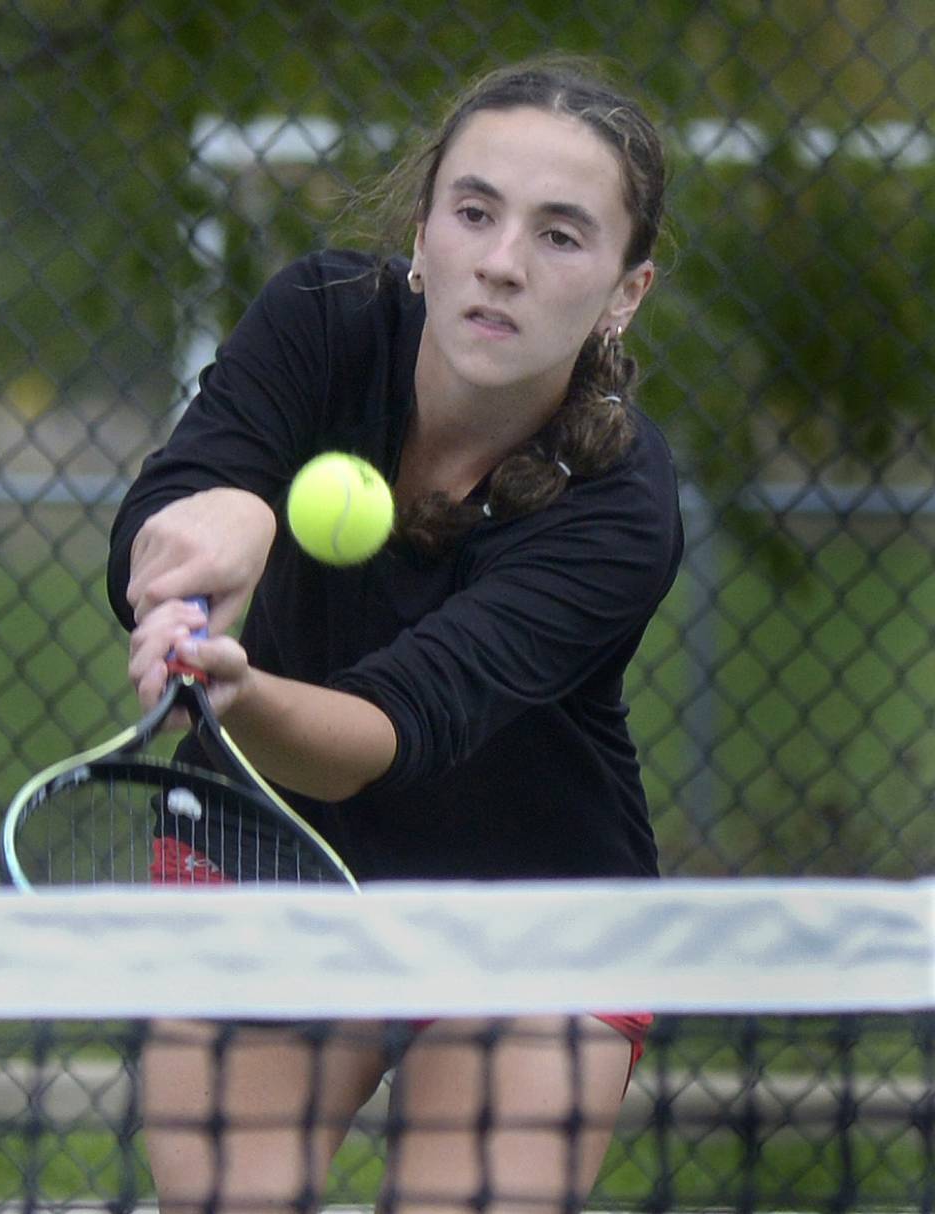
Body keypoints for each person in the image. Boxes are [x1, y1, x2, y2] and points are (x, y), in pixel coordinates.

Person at [106, 55, 684, 1214]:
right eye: (475, 212)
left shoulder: (623, 507)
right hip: (263, 850)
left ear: (625, 291)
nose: (503, 261)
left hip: (533, 910)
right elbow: (172, 511)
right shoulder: (324, 316)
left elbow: (383, 727)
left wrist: (235, 694)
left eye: (562, 235)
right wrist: (203, 528)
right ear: (424, 231)